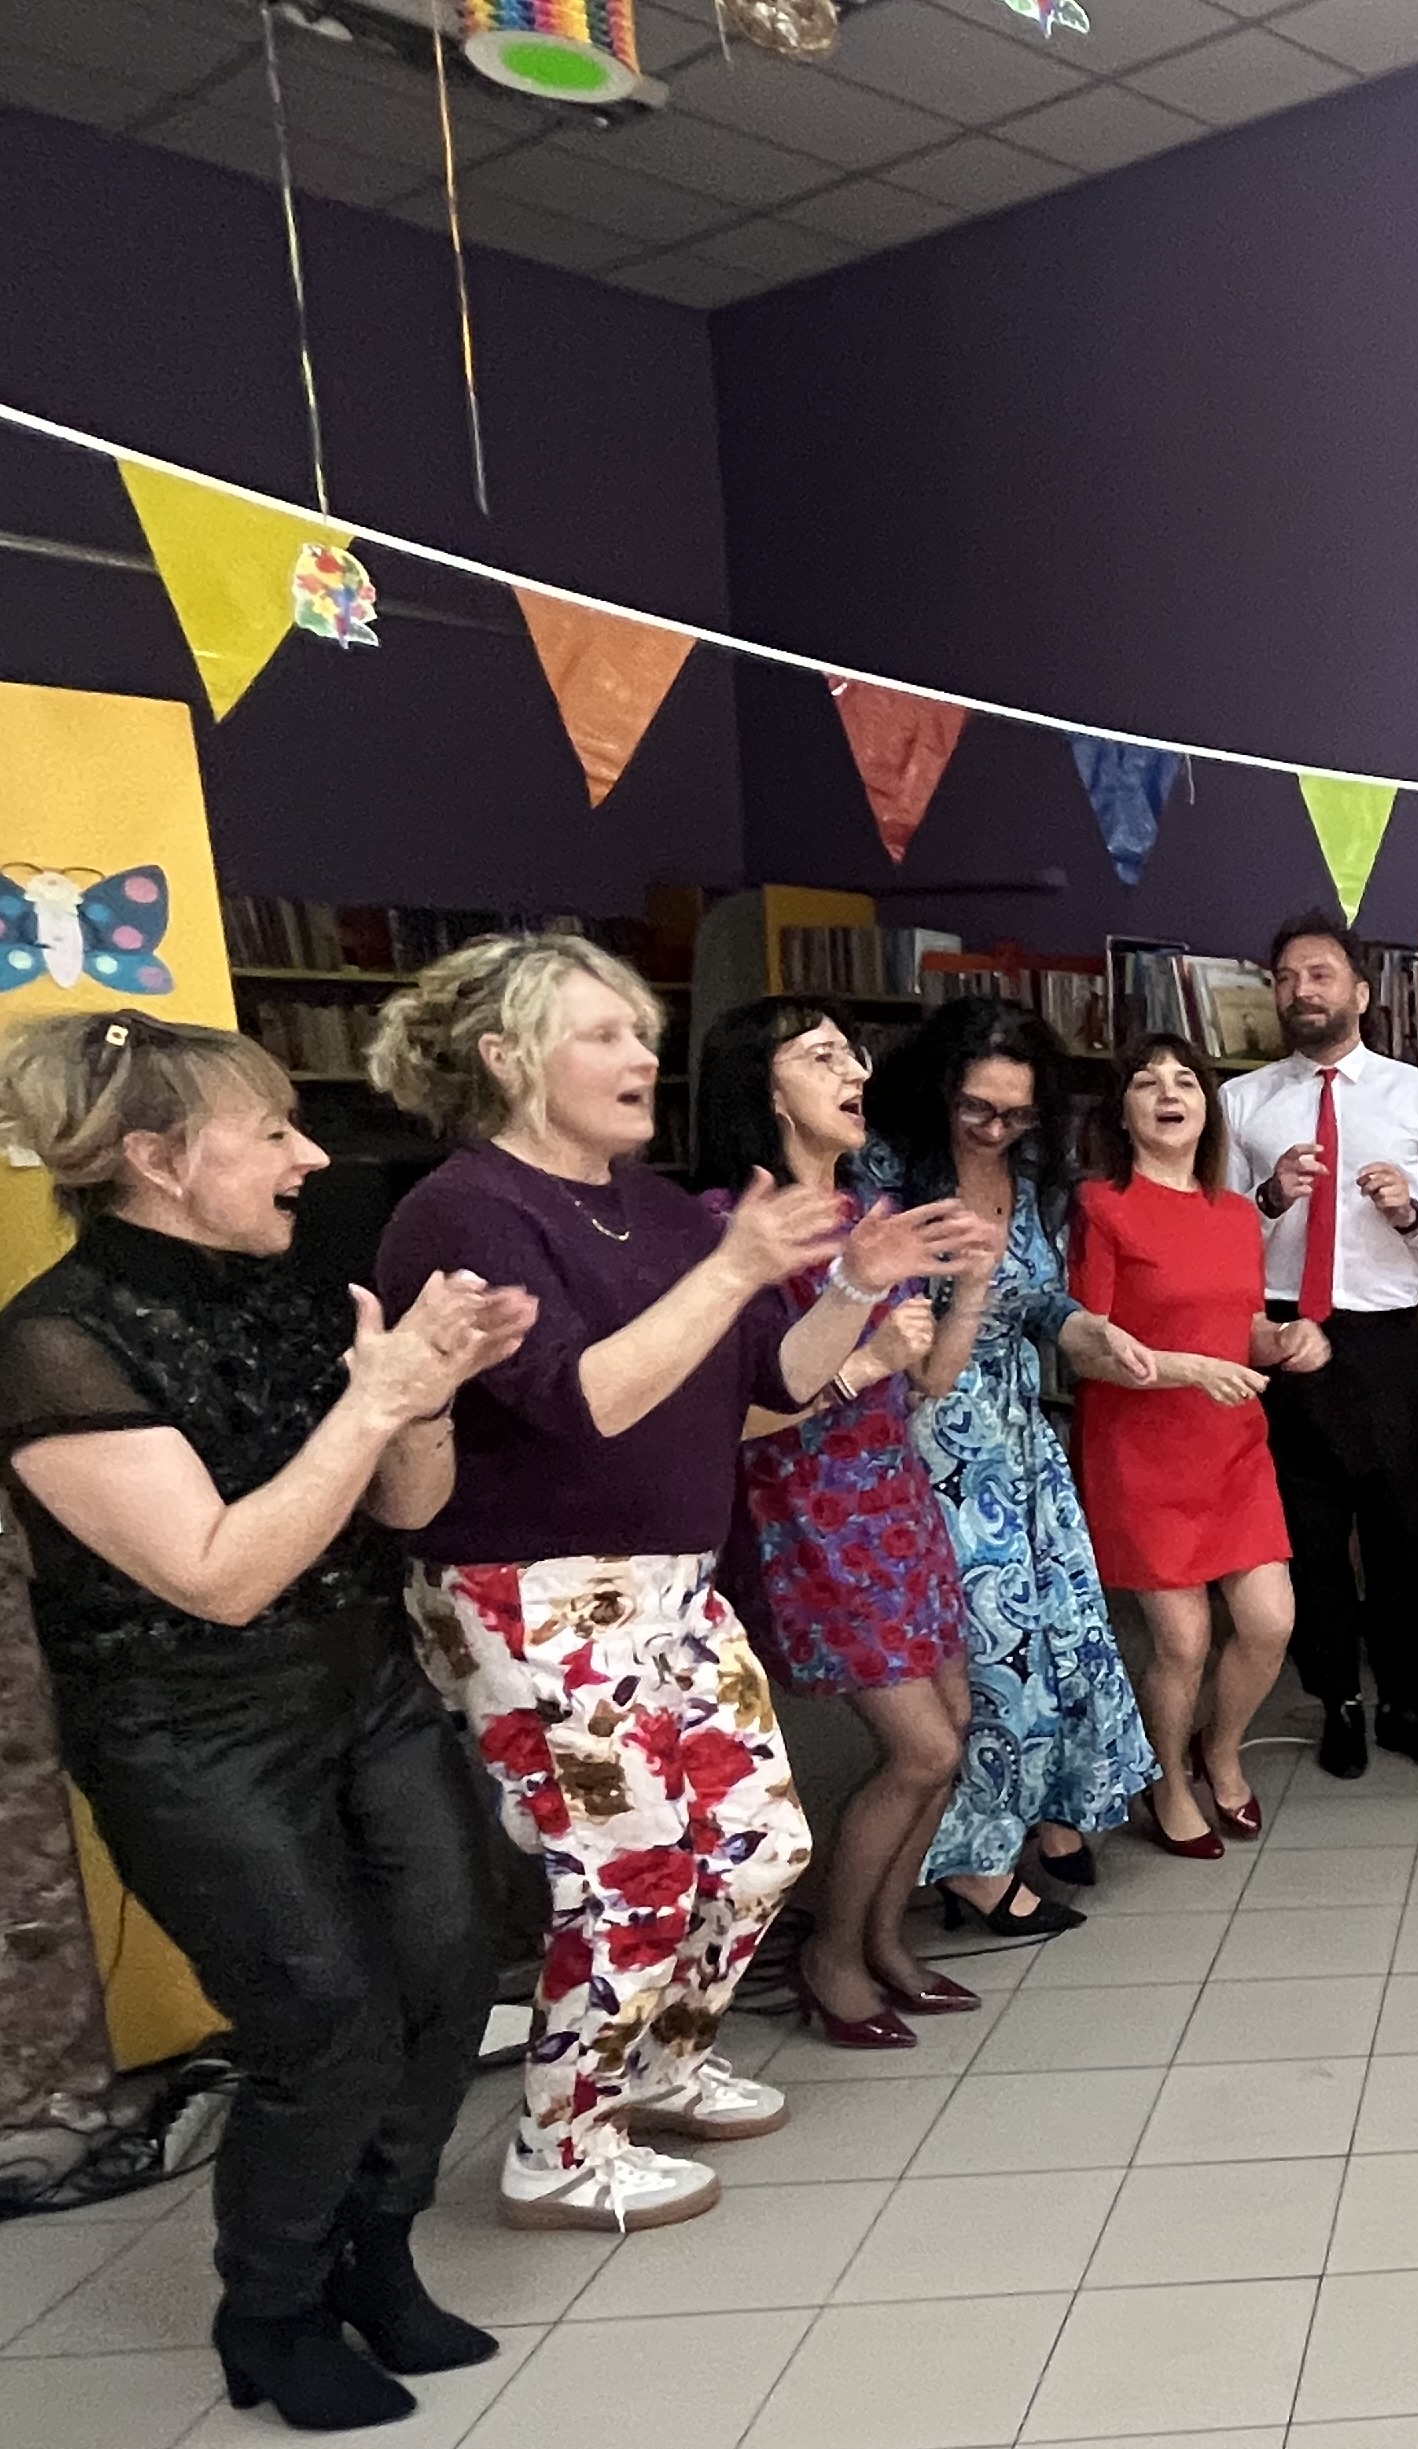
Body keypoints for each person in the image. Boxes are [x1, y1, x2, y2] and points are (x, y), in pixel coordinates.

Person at [369, 935, 980, 2232]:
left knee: (760, 1847)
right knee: (632, 1872)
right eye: (602, 1034)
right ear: (506, 1058)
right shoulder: (466, 1212)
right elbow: (585, 1402)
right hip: (531, 1593)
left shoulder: (646, 1206)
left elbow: (780, 1378)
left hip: (672, 1584)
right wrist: (735, 1269)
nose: (640, 1056)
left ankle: (660, 2060)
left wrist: (852, 1286)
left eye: (642, 1032)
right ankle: (560, 2147)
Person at [0, 1012, 534, 2423]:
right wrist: (373, 1406)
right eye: (272, 1131)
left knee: (448, 1976)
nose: (310, 1157)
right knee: (323, 2021)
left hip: (365, 1687)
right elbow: (219, 1576)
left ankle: (378, 2256)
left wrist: (428, 1399)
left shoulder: (296, 1293)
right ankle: (273, 2309)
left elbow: (407, 1506)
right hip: (192, 1735)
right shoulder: (55, 1344)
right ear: (156, 1159)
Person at [698, 999, 995, 2050]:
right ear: (764, 1087)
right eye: (821, 1055)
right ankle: (828, 1954)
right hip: (809, 1517)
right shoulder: (726, 1225)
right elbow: (726, 1413)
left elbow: (928, 1379)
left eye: (852, 1053)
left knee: (951, 1733)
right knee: (920, 1748)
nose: (854, 1070)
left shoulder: (872, 1211)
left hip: (895, 1498)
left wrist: (970, 1287)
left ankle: (879, 1939)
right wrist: (864, 1363)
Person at [856, 1002, 1161, 1935]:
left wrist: (1086, 1326)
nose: (995, 1130)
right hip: (929, 1440)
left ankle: (1041, 1815)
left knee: (1066, 1640)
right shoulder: (886, 1173)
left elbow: (1038, 1301)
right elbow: (884, 1327)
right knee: (994, 1662)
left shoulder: (1030, 1175)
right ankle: (971, 1865)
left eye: (1017, 1115)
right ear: (939, 1090)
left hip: (1019, 1436)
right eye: (977, 1110)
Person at [1221, 911, 1418, 1779]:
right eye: (1287, 977)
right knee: (1310, 1538)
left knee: (1406, 1530)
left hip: (1383, 1342)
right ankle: (1336, 1698)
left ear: (1361, 993)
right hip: (1282, 1335)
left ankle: (1407, 1703)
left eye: (1320, 974)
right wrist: (1267, 1198)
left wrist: (1413, 1213)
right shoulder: (1241, 1103)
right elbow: (1211, 1235)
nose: (1302, 991)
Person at [1074, 1032, 1327, 1854]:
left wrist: (1283, 1340)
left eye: (1185, 1081)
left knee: (1270, 1623)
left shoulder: (1234, 1212)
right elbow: (1088, 1347)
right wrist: (1188, 1369)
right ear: (1122, 1111)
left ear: (1208, 1108)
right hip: (1141, 1451)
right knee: (1182, 1643)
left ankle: (1220, 1749)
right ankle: (1168, 1782)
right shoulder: (1100, 1206)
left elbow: (1241, 1327)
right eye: (1147, 1082)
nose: (1168, 1094)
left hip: (1232, 1448)